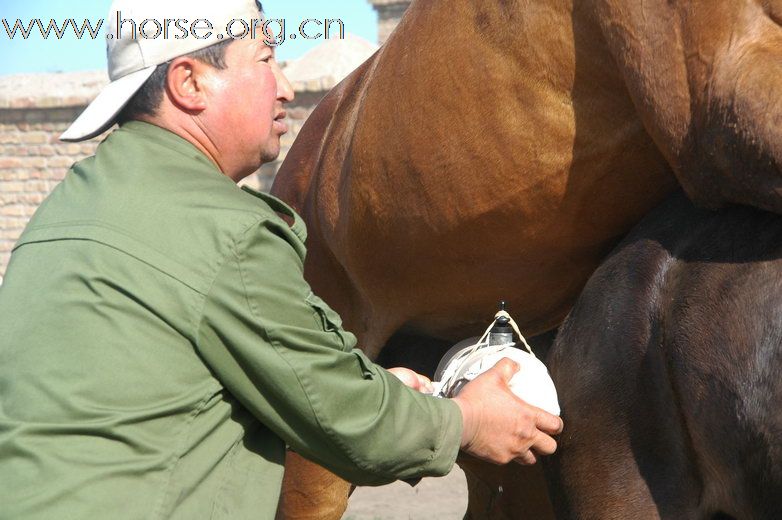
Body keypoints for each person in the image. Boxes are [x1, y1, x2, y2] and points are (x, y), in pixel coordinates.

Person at [0, 0, 564, 518]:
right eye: (267, 58)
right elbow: (346, 419)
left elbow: (158, 408)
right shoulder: (223, 229)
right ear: (189, 82)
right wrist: (467, 421)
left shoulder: (65, 212)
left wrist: (367, 387)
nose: (287, 88)